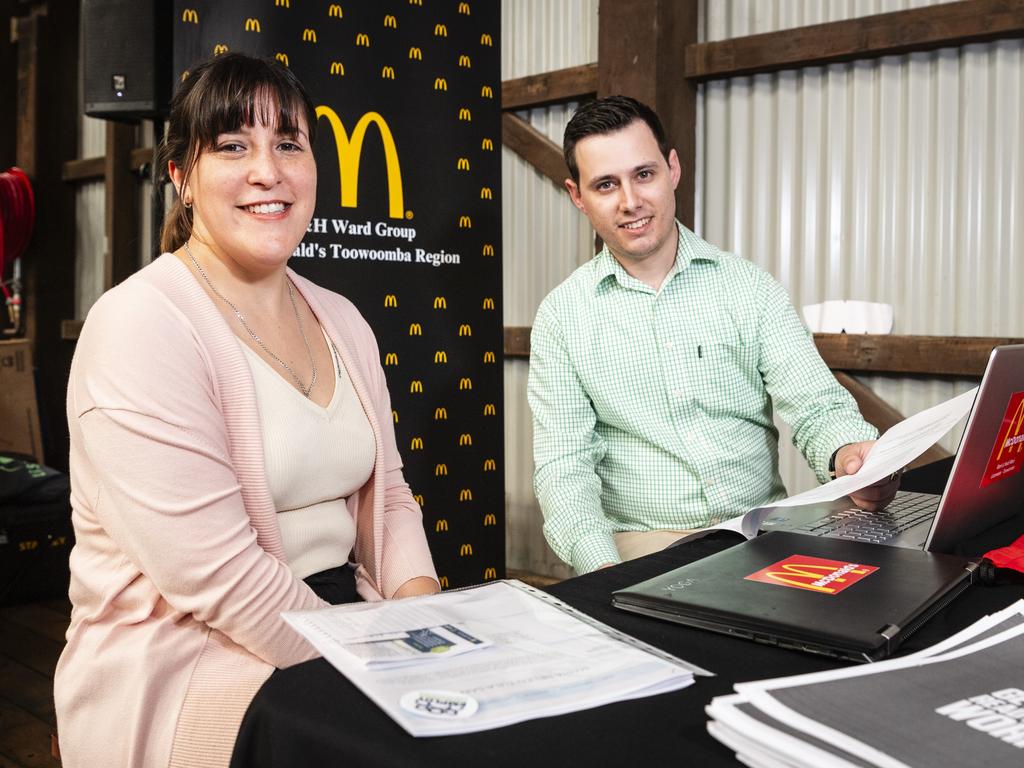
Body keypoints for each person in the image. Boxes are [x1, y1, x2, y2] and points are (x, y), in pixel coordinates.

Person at [54, 53, 439, 768]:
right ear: (181, 178)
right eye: (233, 146)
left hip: (341, 621)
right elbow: (220, 578)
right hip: (191, 653)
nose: (269, 170)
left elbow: (388, 497)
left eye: (288, 143)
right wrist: (376, 662)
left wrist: (423, 618)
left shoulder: (343, 319)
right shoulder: (140, 325)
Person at [528, 96, 899, 574]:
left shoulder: (748, 287)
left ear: (672, 168)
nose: (631, 201)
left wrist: (851, 456)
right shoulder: (562, 317)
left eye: (644, 174)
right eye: (605, 184)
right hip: (643, 549)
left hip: (762, 536)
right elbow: (565, 470)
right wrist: (603, 575)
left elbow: (816, 405)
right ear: (577, 195)